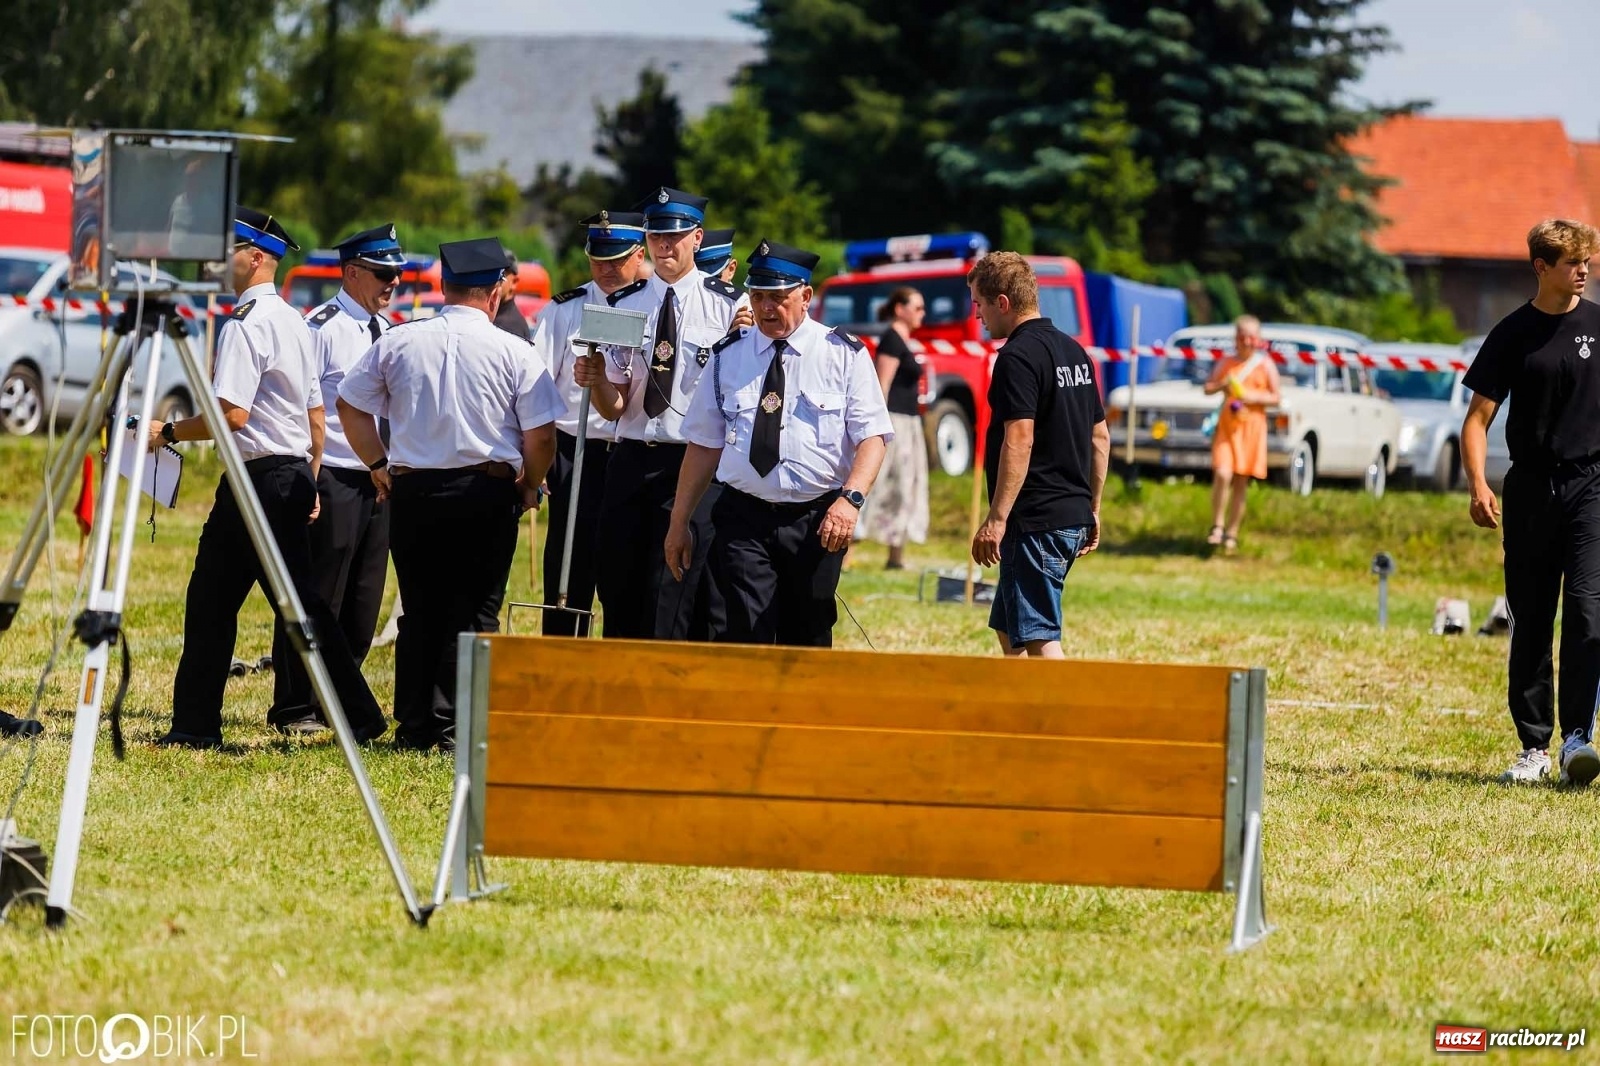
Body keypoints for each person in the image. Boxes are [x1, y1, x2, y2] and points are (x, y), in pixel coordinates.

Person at [151, 208, 388, 748]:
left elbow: (230, 414)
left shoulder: (248, 323)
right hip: (286, 475)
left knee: (218, 602)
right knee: (295, 605)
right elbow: (315, 415)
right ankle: (359, 715)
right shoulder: (292, 320)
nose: (217, 260)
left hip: (258, 477)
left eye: (227, 249)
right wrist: (310, 478)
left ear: (255, 257)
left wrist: (167, 431)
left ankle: (195, 726)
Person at [337, 238, 563, 752]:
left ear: (444, 287)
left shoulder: (399, 340)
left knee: (420, 607)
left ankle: (417, 724)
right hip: (486, 489)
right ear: (493, 295)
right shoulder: (514, 350)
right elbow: (543, 436)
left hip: (414, 489)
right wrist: (530, 482)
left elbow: (350, 405)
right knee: (477, 610)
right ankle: (462, 726)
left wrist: (376, 463)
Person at [667, 239, 891, 646]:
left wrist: (851, 500)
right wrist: (679, 521)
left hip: (817, 520)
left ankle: (800, 711)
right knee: (745, 628)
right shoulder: (727, 356)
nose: (766, 308)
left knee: (807, 632)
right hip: (743, 517)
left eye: (778, 297)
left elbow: (872, 438)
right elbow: (702, 444)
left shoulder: (843, 355)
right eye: (758, 296)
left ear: (806, 296)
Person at [1462, 218, 1600, 787]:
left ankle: (1577, 740)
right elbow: (1476, 420)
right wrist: (1477, 482)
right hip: (1529, 490)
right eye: (1574, 263)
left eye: (1588, 261)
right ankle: (1533, 747)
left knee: (1590, 615)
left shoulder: (1599, 325)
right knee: (1533, 619)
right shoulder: (1512, 333)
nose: (1585, 270)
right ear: (1542, 267)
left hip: (1592, 486)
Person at [579, 187, 751, 640]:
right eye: (656, 237)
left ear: (696, 238)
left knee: (673, 589)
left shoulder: (728, 304)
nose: (664, 247)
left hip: (692, 460)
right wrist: (596, 378)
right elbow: (615, 405)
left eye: (674, 237)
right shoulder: (623, 304)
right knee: (617, 582)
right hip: (633, 455)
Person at [265, 223, 405, 733]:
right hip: (335, 478)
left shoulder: (388, 331)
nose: (392, 283)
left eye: (396, 273)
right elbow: (304, 405)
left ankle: (336, 700)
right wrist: (310, 476)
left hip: (379, 480)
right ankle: (294, 703)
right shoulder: (320, 327)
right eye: (382, 274)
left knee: (365, 602)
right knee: (319, 594)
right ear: (351, 273)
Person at [968, 251, 1109, 659]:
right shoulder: (1075, 352)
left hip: (1036, 520)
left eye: (979, 304)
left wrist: (996, 519)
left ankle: (1067, 722)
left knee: (1040, 637)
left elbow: (1020, 438)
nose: (977, 316)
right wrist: (1092, 507)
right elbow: (1099, 437)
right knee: (1010, 629)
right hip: (1069, 515)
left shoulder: (1016, 357)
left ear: (1003, 303)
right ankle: (1022, 718)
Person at [528, 209, 652, 635]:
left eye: (616, 261)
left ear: (639, 255)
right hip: (578, 450)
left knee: (629, 571)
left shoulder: (660, 305)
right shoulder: (565, 310)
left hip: (637, 451)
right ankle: (563, 654)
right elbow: (537, 388)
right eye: (597, 260)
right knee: (570, 564)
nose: (605, 270)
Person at [855, 286, 930, 569]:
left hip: (909, 423)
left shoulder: (904, 340)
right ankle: (847, 546)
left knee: (905, 487)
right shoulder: (891, 341)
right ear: (900, 309)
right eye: (918, 307)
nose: (923, 313)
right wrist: (879, 429)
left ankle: (895, 556)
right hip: (893, 422)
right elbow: (881, 387)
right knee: (879, 483)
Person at [1202, 315, 1281, 554]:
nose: (1246, 341)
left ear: (1258, 340)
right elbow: (1207, 387)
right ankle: (1217, 525)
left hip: (1251, 430)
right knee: (1223, 473)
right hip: (1227, 428)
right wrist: (1222, 386)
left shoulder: (1266, 365)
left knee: (1240, 482)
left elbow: (1276, 397)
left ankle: (1232, 534)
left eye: (1251, 337)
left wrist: (1252, 397)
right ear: (1235, 338)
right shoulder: (1225, 362)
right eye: (1242, 336)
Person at [492, 244, 530, 340]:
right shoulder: (493, 315)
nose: (494, 279)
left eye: (501, 274)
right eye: (491, 273)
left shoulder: (512, 326)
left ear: (514, 282)